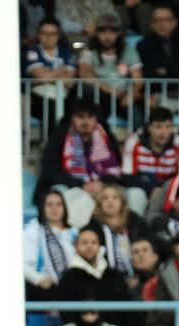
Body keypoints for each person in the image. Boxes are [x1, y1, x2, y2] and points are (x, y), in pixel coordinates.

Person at [36, 97, 124, 228]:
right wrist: (82, 185)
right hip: (70, 186)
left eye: (90, 117)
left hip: (102, 187)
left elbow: (118, 167)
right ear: (72, 118)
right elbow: (51, 170)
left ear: (96, 119)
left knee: (122, 195)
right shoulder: (60, 136)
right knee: (69, 196)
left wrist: (101, 184)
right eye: (80, 117)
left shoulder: (106, 136)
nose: (85, 122)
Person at [77, 12, 143, 115]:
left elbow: (138, 80)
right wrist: (107, 88)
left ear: (118, 33)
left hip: (122, 95)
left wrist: (132, 93)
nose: (107, 36)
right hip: (100, 95)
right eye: (103, 31)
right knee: (90, 91)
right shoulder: (89, 50)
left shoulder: (129, 51)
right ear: (97, 33)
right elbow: (84, 73)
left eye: (112, 31)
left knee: (136, 117)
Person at [122, 107, 179, 199]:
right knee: (134, 193)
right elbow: (127, 178)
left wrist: (163, 192)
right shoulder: (134, 141)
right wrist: (150, 189)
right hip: (141, 189)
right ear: (149, 127)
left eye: (168, 127)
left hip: (169, 191)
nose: (163, 132)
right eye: (158, 126)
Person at [24, 191, 77, 297]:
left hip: (73, 286)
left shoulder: (74, 232)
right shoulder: (32, 230)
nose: (54, 208)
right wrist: (38, 279)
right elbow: (19, 263)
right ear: (42, 208)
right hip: (44, 287)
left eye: (59, 204)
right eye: (49, 205)